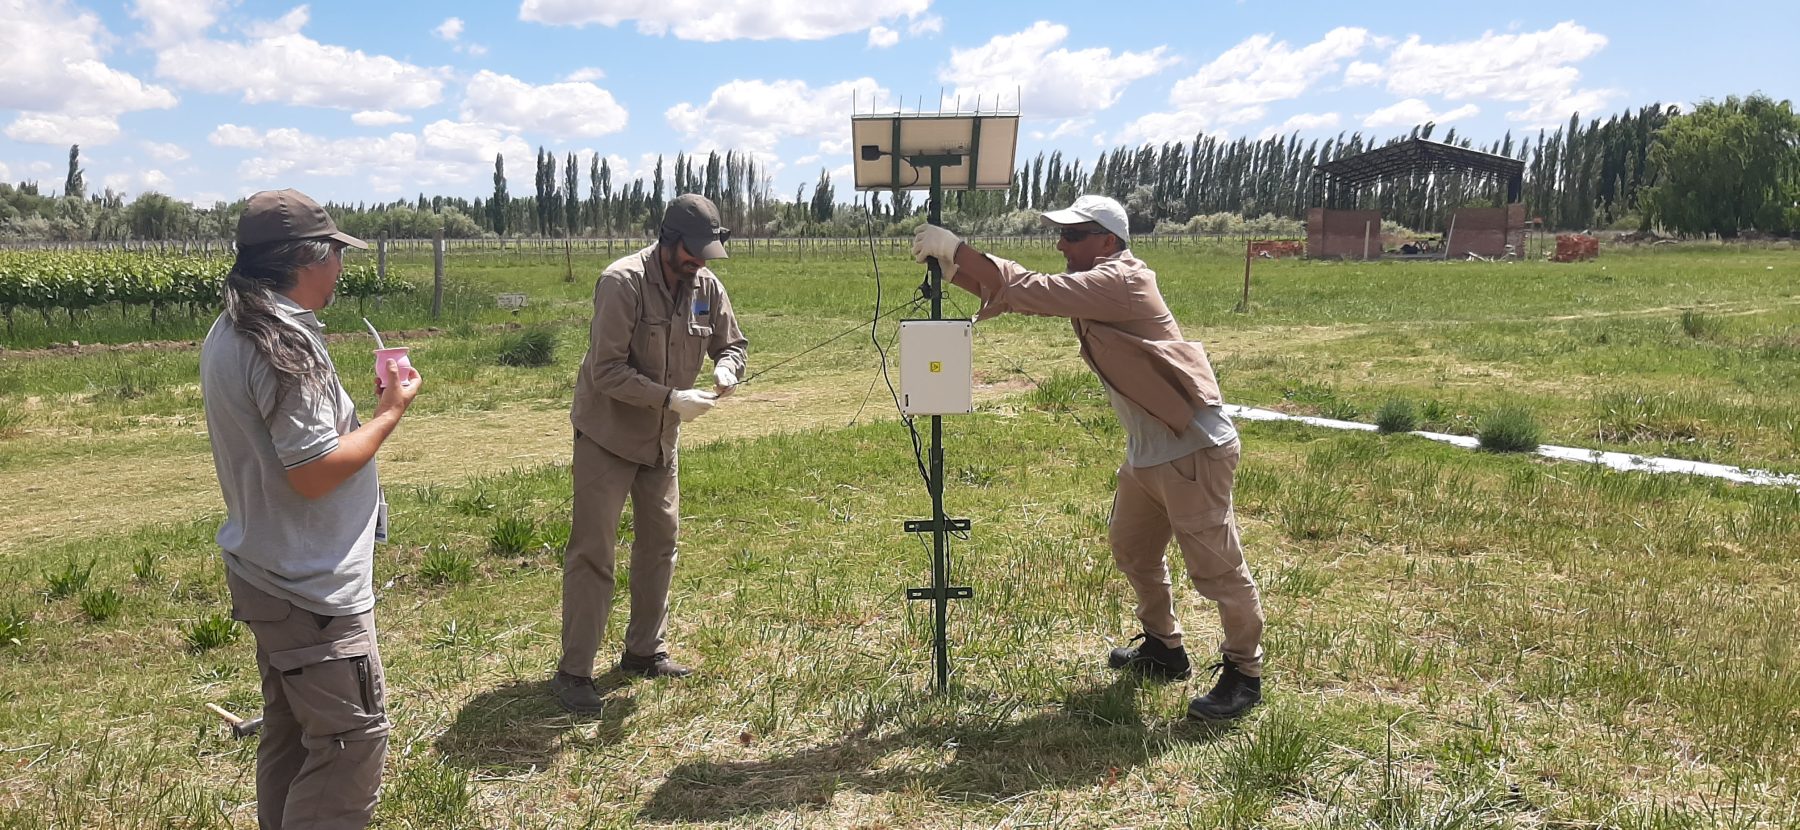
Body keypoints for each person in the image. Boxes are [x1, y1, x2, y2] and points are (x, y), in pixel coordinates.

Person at [912, 195, 1264, 720]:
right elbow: (1017, 295)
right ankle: (1164, 649)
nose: (1061, 243)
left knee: (1217, 570)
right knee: (1134, 550)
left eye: (1073, 235)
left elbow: (1036, 289)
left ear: (1107, 240)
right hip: (1149, 452)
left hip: (1191, 448)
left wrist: (960, 249)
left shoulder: (1123, 280)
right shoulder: (1099, 284)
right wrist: (957, 266)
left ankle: (1244, 673)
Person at [200, 188, 423, 828]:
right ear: (307, 258)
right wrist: (389, 413)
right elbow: (316, 472)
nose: (341, 268)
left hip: (267, 567)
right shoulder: (284, 345)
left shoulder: (236, 324)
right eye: (335, 254)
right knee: (352, 744)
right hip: (312, 588)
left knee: (292, 735)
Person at [555, 194, 748, 712]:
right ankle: (574, 672)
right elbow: (607, 371)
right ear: (668, 241)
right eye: (693, 253)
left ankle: (644, 652)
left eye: (707, 254)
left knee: (661, 543)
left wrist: (729, 368)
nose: (700, 264)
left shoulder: (706, 284)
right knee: (595, 552)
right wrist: (670, 398)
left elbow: (733, 343)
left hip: (662, 439)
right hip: (608, 435)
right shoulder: (622, 283)